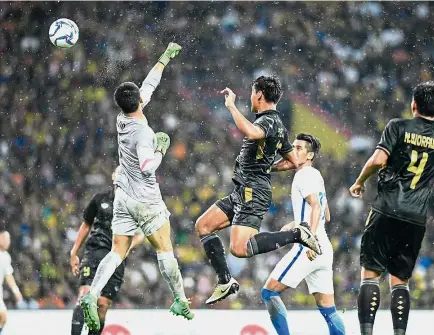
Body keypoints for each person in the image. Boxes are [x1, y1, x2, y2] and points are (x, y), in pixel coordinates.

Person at [80, 42, 194, 332]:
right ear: (138, 102)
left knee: (117, 251)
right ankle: (180, 299)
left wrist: (163, 59)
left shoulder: (122, 118)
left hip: (123, 197)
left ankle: (91, 294)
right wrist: (160, 150)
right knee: (165, 249)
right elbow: (147, 167)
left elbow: (149, 85)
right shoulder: (143, 133)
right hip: (145, 198)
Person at [349, 81, 434, 335]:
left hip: (386, 208)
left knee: (371, 274)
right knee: (400, 281)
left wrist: (359, 182)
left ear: (413, 105)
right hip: (415, 218)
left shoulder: (397, 127)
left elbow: (378, 160)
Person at [195, 76, 320, 305]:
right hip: (243, 190)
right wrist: (266, 166)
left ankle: (298, 234)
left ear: (259, 94)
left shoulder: (270, 121)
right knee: (203, 225)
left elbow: (252, 133)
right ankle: (225, 281)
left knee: (239, 249)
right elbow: (293, 161)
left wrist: (231, 106)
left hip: (254, 190)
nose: (251, 98)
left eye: (252, 93)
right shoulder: (278, 126)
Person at [262, 134, 345, 335]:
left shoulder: (304, 175)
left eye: (298, 148)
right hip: (324, 248)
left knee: (269, 292)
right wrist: (296, 223)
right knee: (328, 309)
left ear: (310, 155)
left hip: (309, 246)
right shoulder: (316, 175)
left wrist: (310, 239)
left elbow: (316, 206)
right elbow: (326, 215)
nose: (293, 151)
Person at [70, 166, 144, 335]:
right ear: (113, 176)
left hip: (116, 258)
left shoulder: (134, 204)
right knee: (85, 296)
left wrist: (127, 247)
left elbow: (140, 235)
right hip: (94, 252)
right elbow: (86, 224)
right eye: (119, 173)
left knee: (102, 306)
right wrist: (74, 252)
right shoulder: (99, 199)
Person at [0, 231, 23, 334]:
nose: (8, 242)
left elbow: (8, 276)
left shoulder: (5, 256)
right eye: (5, 239)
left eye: (9, 239)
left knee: (3, 317)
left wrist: (16, 290)